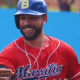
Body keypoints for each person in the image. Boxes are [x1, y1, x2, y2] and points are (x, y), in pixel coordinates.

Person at [0, 0, 80, 80]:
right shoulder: (9, 53)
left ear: (44, 19)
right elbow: (4, 72)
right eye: (23, 18)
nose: (26, 23)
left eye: (32, 17)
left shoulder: (64, 50)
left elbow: (76, 76)